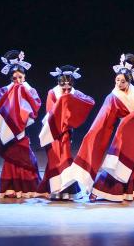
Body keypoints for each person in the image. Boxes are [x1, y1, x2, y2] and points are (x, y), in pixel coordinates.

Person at [67, 54, 134, 201]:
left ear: (129, 81)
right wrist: (93, 134)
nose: (119, 83)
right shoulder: (112, 97)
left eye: (123, 81)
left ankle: (132, 191)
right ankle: (99, 191)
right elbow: (103, 118)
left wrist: (129, 119)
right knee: (117, 163)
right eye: (117, 80)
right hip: (124, 134)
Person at [38, 64, 96, 200]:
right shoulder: (52, 93)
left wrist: (71, 103)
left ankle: (66, 191)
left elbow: (90, 101)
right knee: (55, 159)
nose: (66, 90)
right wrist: (63, 102)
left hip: (66, 133)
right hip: (53, 131)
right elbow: (50, 113)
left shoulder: (74, 93)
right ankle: (56, 190)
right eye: (63, 87)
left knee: (64, 158)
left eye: (68, 88)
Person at [0, 50, 42, 199]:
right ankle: (10, 188)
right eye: (14, 78)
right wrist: (11, 92)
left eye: (20, 77)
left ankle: (28, 188)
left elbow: (36, 105)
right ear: (11, 78)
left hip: (22, 129)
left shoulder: (30, 90)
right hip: (8, 128)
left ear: (25, 77)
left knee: (27, 158)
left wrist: (23, 92)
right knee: (11, 157)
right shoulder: (5, 90)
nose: (18, 80)